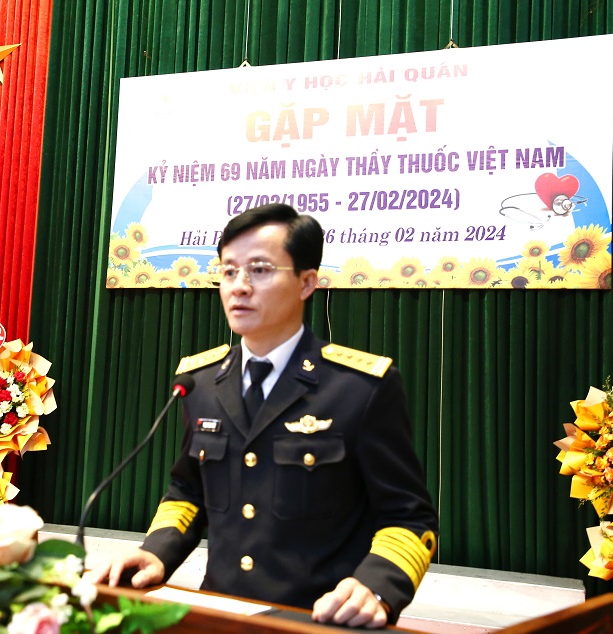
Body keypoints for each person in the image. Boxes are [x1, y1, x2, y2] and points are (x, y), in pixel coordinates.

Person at [90, 203, 438, 628]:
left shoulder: (359, 388)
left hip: (319, 619)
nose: (239, 287)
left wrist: (377, 586)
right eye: (229, 271)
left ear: (307, 282)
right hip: (218, 616)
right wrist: (155, 552)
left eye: (259, 270)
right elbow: (187, 492)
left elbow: (408, 516)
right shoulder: (200, 383)